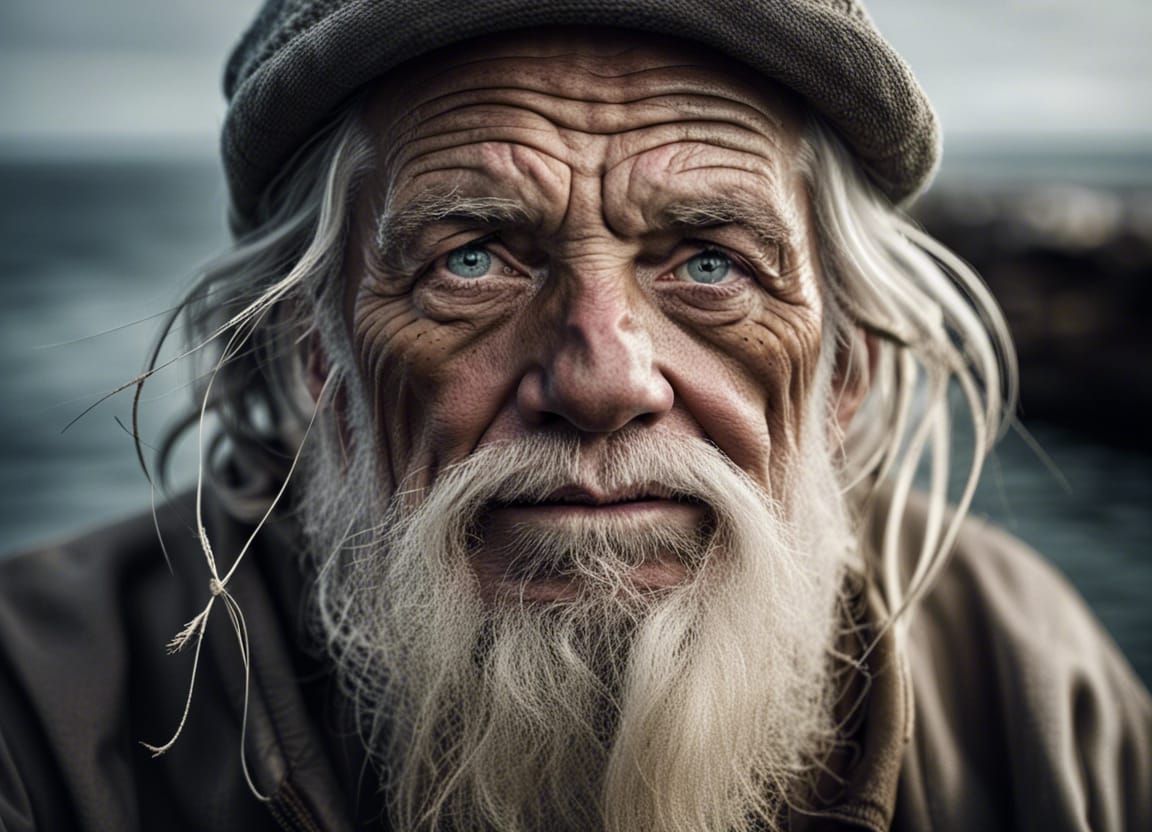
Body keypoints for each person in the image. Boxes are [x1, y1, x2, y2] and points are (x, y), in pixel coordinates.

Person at [1, 1, 1149, 830]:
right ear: (318, 356)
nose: (605, 380)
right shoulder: (40, 710)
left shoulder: (1027, 676)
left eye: (710, 260)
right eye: (475, 256)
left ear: (839, 364)